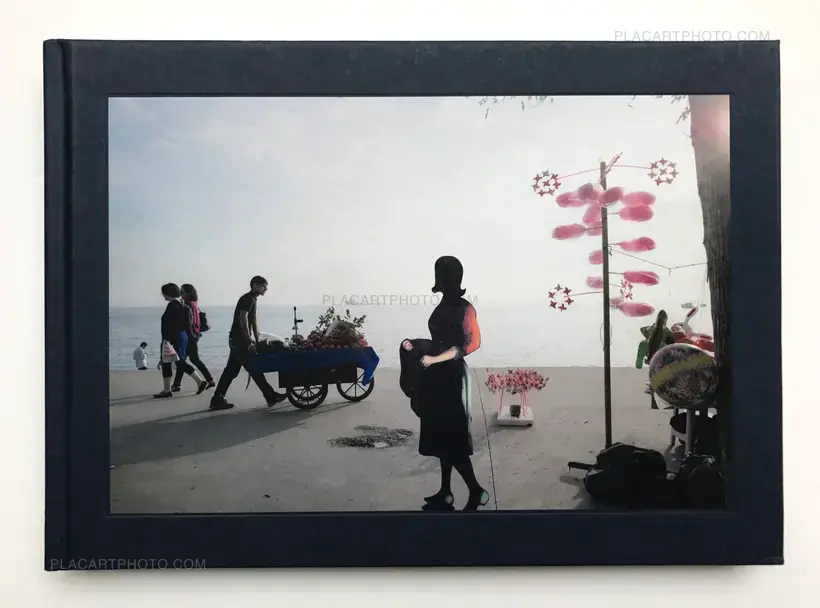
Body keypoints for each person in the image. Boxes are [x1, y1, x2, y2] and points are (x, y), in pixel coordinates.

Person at [403, 256, 489, 511]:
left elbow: (469, 344)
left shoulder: (465, 308)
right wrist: (416, 346)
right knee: (441, 439)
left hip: (451, 380)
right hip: (436, 378)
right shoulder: (444, 305)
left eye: (441, 274)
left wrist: (435, 358)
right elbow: (439, 341)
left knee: (452, 440)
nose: (439, 279)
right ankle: (446, 491)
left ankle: (476, 490)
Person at [209, 276, 286, 411]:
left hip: (236, 340)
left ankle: (217, 399)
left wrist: (257, 338)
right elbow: (243, 318)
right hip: (240, 342)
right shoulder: (248, 299)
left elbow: (253, 320)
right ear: (255, 285)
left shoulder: (253, 299)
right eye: (263, 286)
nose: (266, 288)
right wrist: (249, 338)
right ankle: (270, 396)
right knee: (254, 367)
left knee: (231, 371)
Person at [153, 283, 208, 399]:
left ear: (168, 293)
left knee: (170, 363)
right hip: (182, 336)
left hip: (171, 338)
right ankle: (198, 381)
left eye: (163, 293)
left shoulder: (172, 305)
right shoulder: (183, 304)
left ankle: (168, 390)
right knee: (178, 362)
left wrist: (167, 340)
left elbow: (170, 324)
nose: (163, 295)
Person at [171, 283, 215, 392]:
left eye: (182, 292)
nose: (181, 295)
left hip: (189, 335)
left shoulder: (188, 305)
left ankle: (209, 380)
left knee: (190, 359)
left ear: (188, 293)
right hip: (194, 334)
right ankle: (176, 384)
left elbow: (188, 322)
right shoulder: (194, 304)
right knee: (182, 360)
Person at [643, 309, 675, 409]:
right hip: (661, 358)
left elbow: (642, 329)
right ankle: (668, 402)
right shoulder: (666, 331)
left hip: (651, 357)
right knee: (666, 379)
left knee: (654, 379)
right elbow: (673, 342)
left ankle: (654, 404)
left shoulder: (651, 329)